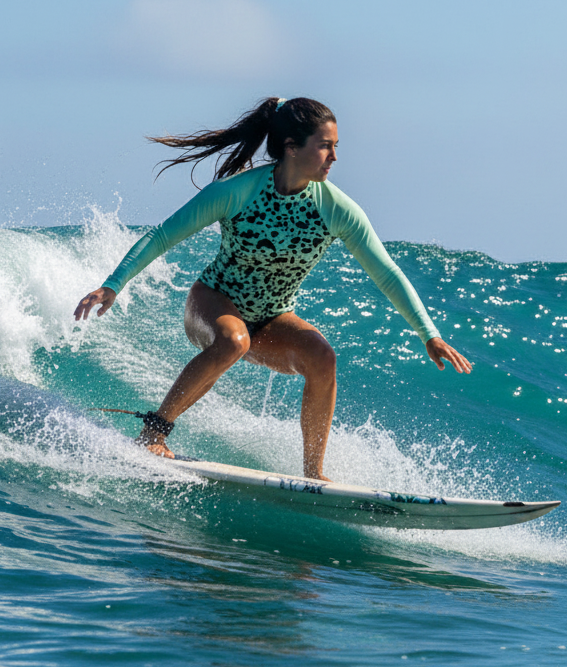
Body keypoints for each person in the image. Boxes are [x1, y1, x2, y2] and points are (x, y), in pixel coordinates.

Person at [74, 97, 471, 480]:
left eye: (336, 147)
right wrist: (113, 285)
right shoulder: (238, 192)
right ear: (291, 147)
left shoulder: (336, 209)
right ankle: (153, 433)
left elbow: (387, 273)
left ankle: (313, 472)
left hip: (272, 317)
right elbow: (163, 237)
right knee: (233, 340)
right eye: (326, 147)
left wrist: (428, 334)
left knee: (322, 356)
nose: (334, 157)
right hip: (213, 301)